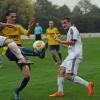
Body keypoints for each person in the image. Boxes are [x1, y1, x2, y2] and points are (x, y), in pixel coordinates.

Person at [49, 17, 93, 97]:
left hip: (75, 56)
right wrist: (58, 41)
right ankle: (60, 92)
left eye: (65, 23)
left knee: (68, 76)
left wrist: (60, 41)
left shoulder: (72, 29)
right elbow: (70, 46)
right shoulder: (70, 31)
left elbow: (72, 42)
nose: (63, 25)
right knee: (61, 70)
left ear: (69, 22)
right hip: (71, 55)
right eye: (62, 23)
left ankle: (88, 84)